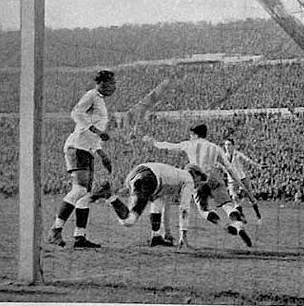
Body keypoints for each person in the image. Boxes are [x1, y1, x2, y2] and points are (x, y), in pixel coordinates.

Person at [143, 124, 252, 247]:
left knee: (203, 209)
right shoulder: (215, 148)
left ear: (195, 134)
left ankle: (222, 225)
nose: (190, 137)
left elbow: (169, 146)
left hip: (196, 179)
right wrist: (242, 185)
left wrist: (154, 142)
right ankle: (238, 225)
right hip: (213, 178)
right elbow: (230, 169)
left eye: (191, 135)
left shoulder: (189, 144)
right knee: (227, 205)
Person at [47, 70, 116, 248]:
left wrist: (102, 154)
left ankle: (80, 237)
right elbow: (76, 113)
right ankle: (55, 230)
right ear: (101, 82)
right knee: (79, 190)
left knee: (84, 194)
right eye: (111, 83)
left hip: (87, 149)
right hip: (76, 147)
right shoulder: (92, 95)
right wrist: (97, 131)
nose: (113, 87)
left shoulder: (101, 102)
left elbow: (93, 136)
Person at [90, 162, 204, 248]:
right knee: (128, 221)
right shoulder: (188, 179)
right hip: (148, 179)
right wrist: (183, 234)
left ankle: (156, 236)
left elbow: (159, 202)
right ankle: (109, 195)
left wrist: (167, 232)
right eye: (200, 178)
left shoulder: (175, 174)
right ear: (194, 174)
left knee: (158, 202)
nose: (198, 183)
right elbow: (184, 208)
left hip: (137, 173)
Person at [223, 138, 263, 223]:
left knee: (250, 197)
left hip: (242, 179)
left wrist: (258, 166)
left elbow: (248, 160)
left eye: (229, 145)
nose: (227, 147)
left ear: (233, 146)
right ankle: (241, 217)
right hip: (232, 181)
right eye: (226, 145)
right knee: (234, 198)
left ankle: (258, 216)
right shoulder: (224, 157)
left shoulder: (238, 155)